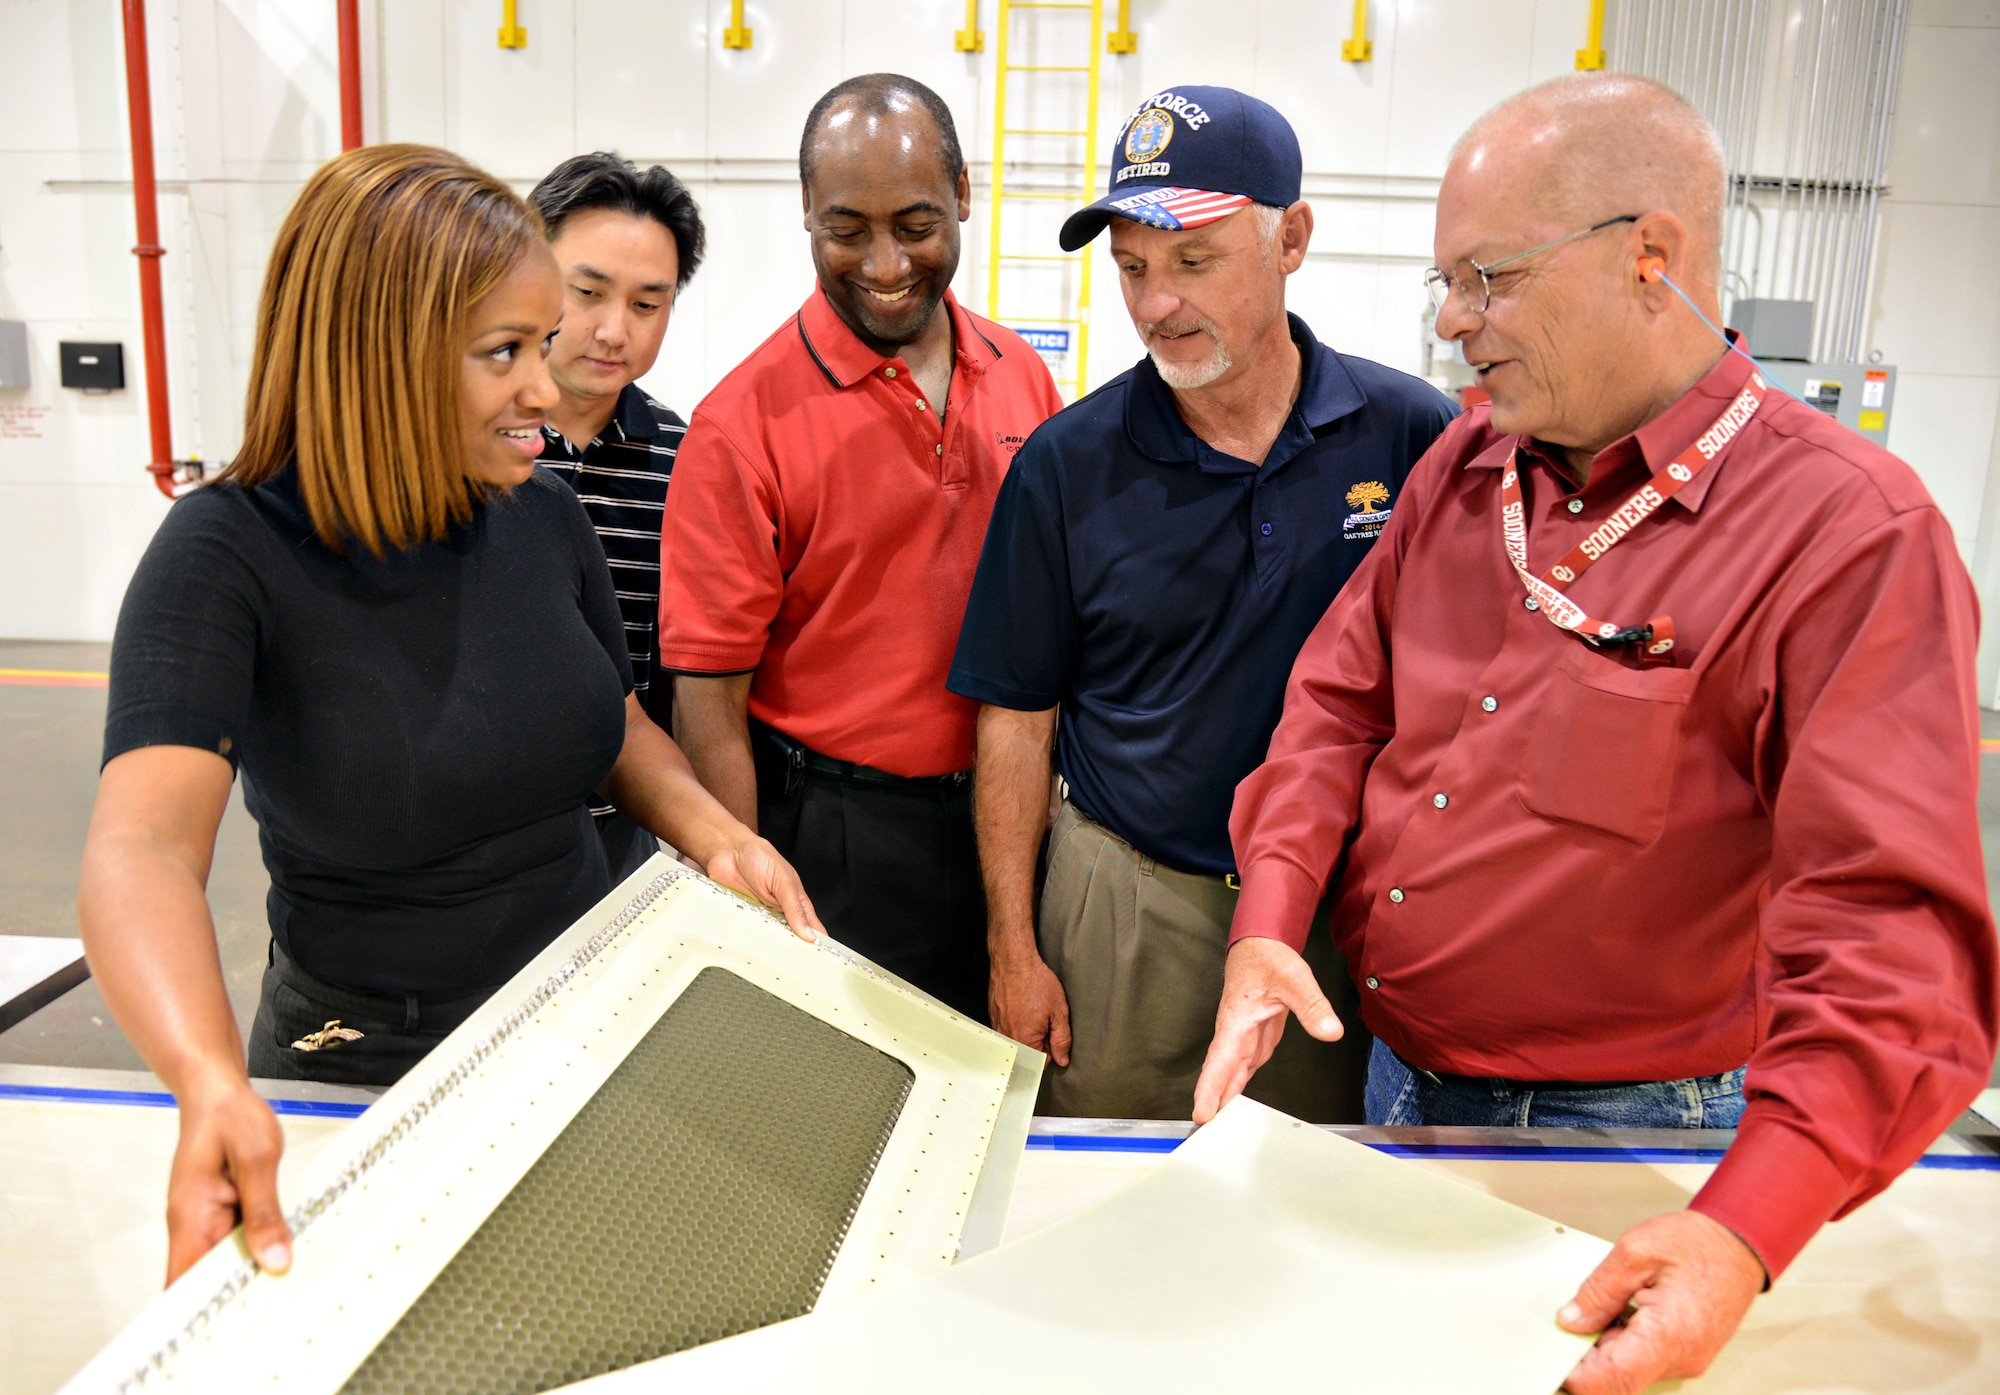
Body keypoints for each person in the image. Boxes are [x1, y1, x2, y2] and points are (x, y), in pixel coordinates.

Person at [1192, 74, 1998, 1394]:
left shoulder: (1845, 534)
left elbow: (1891, 943)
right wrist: (1274, 911)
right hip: (1405, 1081)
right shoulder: (1469, 468)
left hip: (1626, 1136)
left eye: (1491, 278)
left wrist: (1745, 1223)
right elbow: (1340, 698)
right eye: (1446, 283)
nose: (1453, 323)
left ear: (1650, 258)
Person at [77, 144, 820, 1286]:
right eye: (505, 353)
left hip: (581, 1011)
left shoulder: (540, 515)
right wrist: (207, 1077)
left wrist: (718, 834)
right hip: (369, 1052)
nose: (547, 384)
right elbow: (142, 844)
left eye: (539, 343)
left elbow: (612, 726)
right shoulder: (227, 553)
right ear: (380, 355)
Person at [949, 87, 1455, 1121]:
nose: (1153, 305)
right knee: (1102, 1212)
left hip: (1327, 916)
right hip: (1124, 911)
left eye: (1192, 263)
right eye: (1130, 268)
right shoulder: (1066, 465)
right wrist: (1013, 945)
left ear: (1292, 240)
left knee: (1310, 1200)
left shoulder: (1409, 435)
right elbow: (1014, 715)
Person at [660, 74, 1063, 1020]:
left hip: (1009, 828)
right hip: (836, 839)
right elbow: (707, 703)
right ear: (806, 212)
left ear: (965, 192)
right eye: (847, 230)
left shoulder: (1022, 377)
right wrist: (745, 910)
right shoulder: (739, 426)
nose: (885, 261)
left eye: (917, 224)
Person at [529, 152, 706, 880]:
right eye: (587, 292)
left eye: (645, 304)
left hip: (620, 839)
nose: (612, 330)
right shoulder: (457, 446)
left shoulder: (686, 460)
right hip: (481, 845)